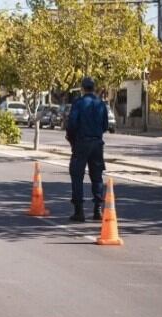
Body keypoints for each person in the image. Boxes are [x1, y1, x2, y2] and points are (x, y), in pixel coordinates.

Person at [66, 77, 108, 222]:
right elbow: (105, 125)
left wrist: (72, 139)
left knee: (77, 175)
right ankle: (97, 210)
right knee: (97, 176)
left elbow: (71, 124)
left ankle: (79, 211)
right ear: (94, 88)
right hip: (97, 143)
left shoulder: (78, 103)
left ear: (82, 88)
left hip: (82, 143)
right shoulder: (101, 104)